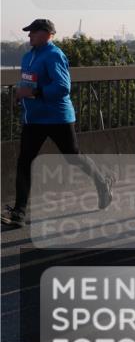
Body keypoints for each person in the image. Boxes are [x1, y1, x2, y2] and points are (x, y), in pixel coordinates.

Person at [2, 19, 113, 228]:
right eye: (29, 32)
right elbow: (29, 81)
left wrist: (34, 92)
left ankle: (102, 181)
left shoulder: (54, 55)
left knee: (73, 156)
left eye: (32, 32)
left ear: (46, 33)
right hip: (33, 119)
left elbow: (63, 87)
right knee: (24, 161)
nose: (29, 36)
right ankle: (19, 213)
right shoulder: (28, 57)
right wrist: (20, 92)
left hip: (57, 117)